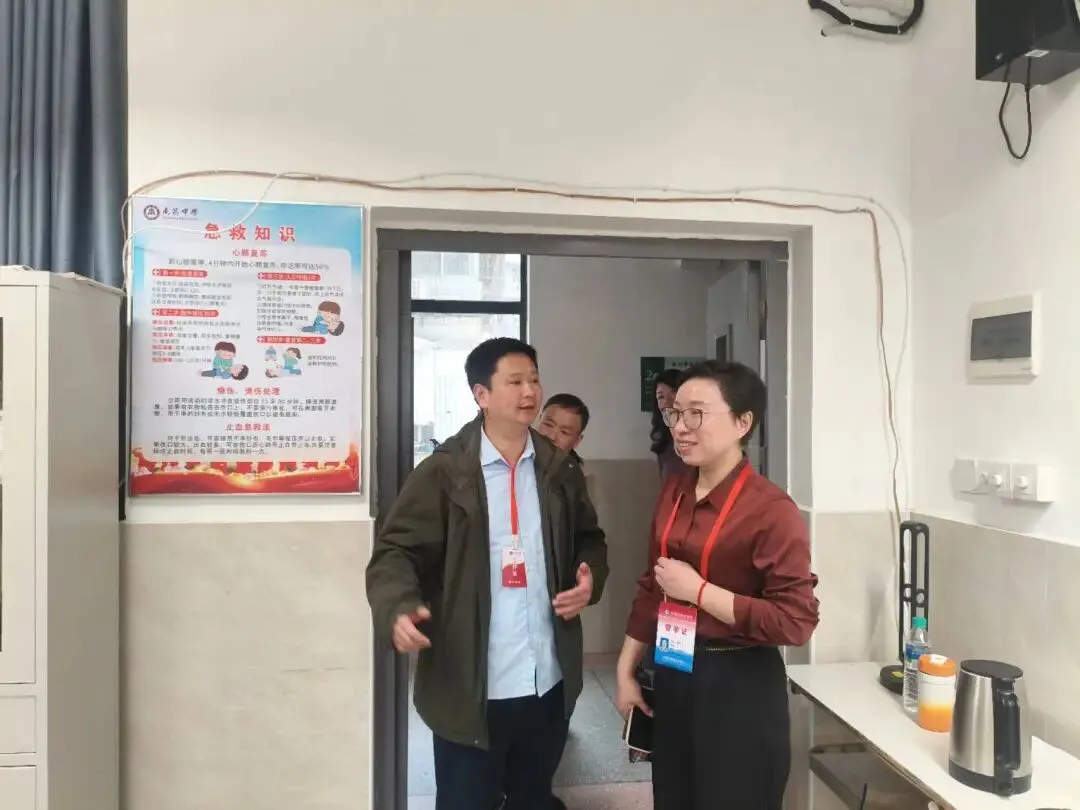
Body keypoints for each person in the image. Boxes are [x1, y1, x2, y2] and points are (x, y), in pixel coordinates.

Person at [366, 337, 609, 810]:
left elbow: (589, 539)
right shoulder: (444, 472)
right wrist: (397, 605)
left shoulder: (559, 469)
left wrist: (589, 579)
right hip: (473, 686)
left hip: (547, 679)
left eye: (534, 379)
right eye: (514, 381)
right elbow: (396, 551)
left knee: (533, 799)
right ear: (481, 394)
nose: (529, 391)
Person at [615, 360, 819, 810]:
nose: (680, 427)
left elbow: (795, 621)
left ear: (743, 422)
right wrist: (626, 669)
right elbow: (652, 585)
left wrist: (700, 593)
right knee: (674, 796)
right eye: (676, 413)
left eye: (697, 414)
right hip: (673, 668)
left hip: (738, 683)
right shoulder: (674, 490)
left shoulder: (770, 510)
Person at [650, 368, 687, 479]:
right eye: (661, 397)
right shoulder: (664, 443)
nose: (667, 402)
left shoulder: (699, 436)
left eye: (674, 392)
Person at [537, 393, 589, 463]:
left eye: (564, 432)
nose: (551, 437)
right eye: (548, 425)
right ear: (539, 419)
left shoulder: (573, 469)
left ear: (577, 441)